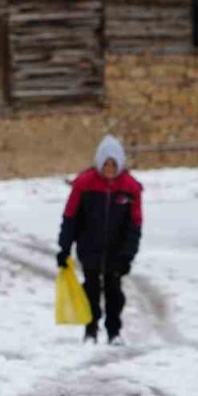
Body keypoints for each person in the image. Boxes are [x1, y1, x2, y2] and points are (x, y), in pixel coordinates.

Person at [56, 135, 143, 346]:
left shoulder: (130, 188)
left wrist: (128, 254)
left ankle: (114, 332)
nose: (110, 168)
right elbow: (70, 217)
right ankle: (91, 330)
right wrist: (65, 247)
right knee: (91, 290)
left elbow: (135, 225)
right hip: (89, 248)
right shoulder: (84, 184)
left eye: (114, 164)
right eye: (106, 164)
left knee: (114, 291)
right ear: (99, 163)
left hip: (117, 251)